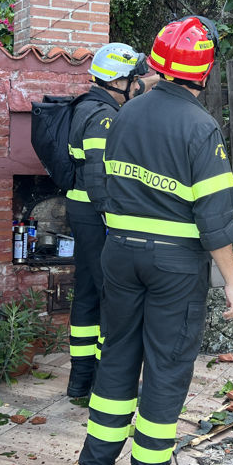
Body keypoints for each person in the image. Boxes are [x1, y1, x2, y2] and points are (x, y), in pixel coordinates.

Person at [78, 16, 233, 465]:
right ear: (204, 72)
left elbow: (101, 183)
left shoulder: (123, 113)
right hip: (173, 264)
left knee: (118, 356)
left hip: (120, 253)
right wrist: (232, 282)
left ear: (154, 62)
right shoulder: (201, 127)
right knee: (167, 368)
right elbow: (214, 216)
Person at [65, 42, 155, 398]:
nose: (136, 86)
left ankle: (79, 382)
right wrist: (112, 217)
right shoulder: (104, 117)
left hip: (82, 211)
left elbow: (144, 84)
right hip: (96, 214)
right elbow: (98, 176)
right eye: (133, 79)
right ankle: (107, 383)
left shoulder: (91, 104)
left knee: (87, 294)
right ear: (117, 80)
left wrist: (159, 79)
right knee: (112, 298)